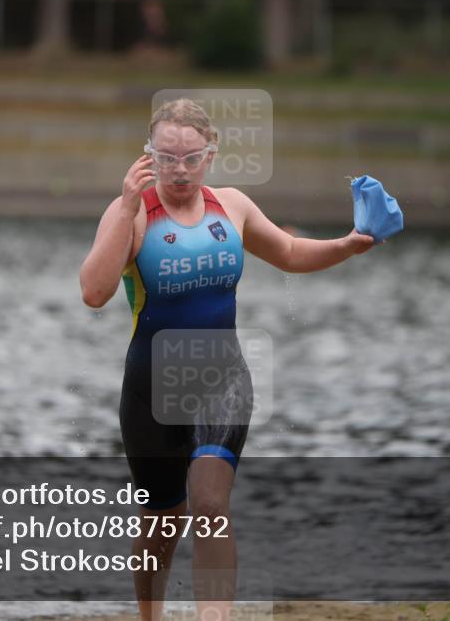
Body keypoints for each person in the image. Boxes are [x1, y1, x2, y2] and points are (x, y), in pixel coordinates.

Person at [79, 99, 376, 621]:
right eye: (165, 158)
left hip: (223, 380)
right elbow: (94, 292)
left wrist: (346, 246)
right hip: (151, 388)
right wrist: (125, 209)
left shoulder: (231, 206)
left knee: (211, 505)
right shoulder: (133, 211)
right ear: (148, 156)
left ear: (209, 155)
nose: (178, 170)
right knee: (161, 518)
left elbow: (287, 251)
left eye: (190, 158)